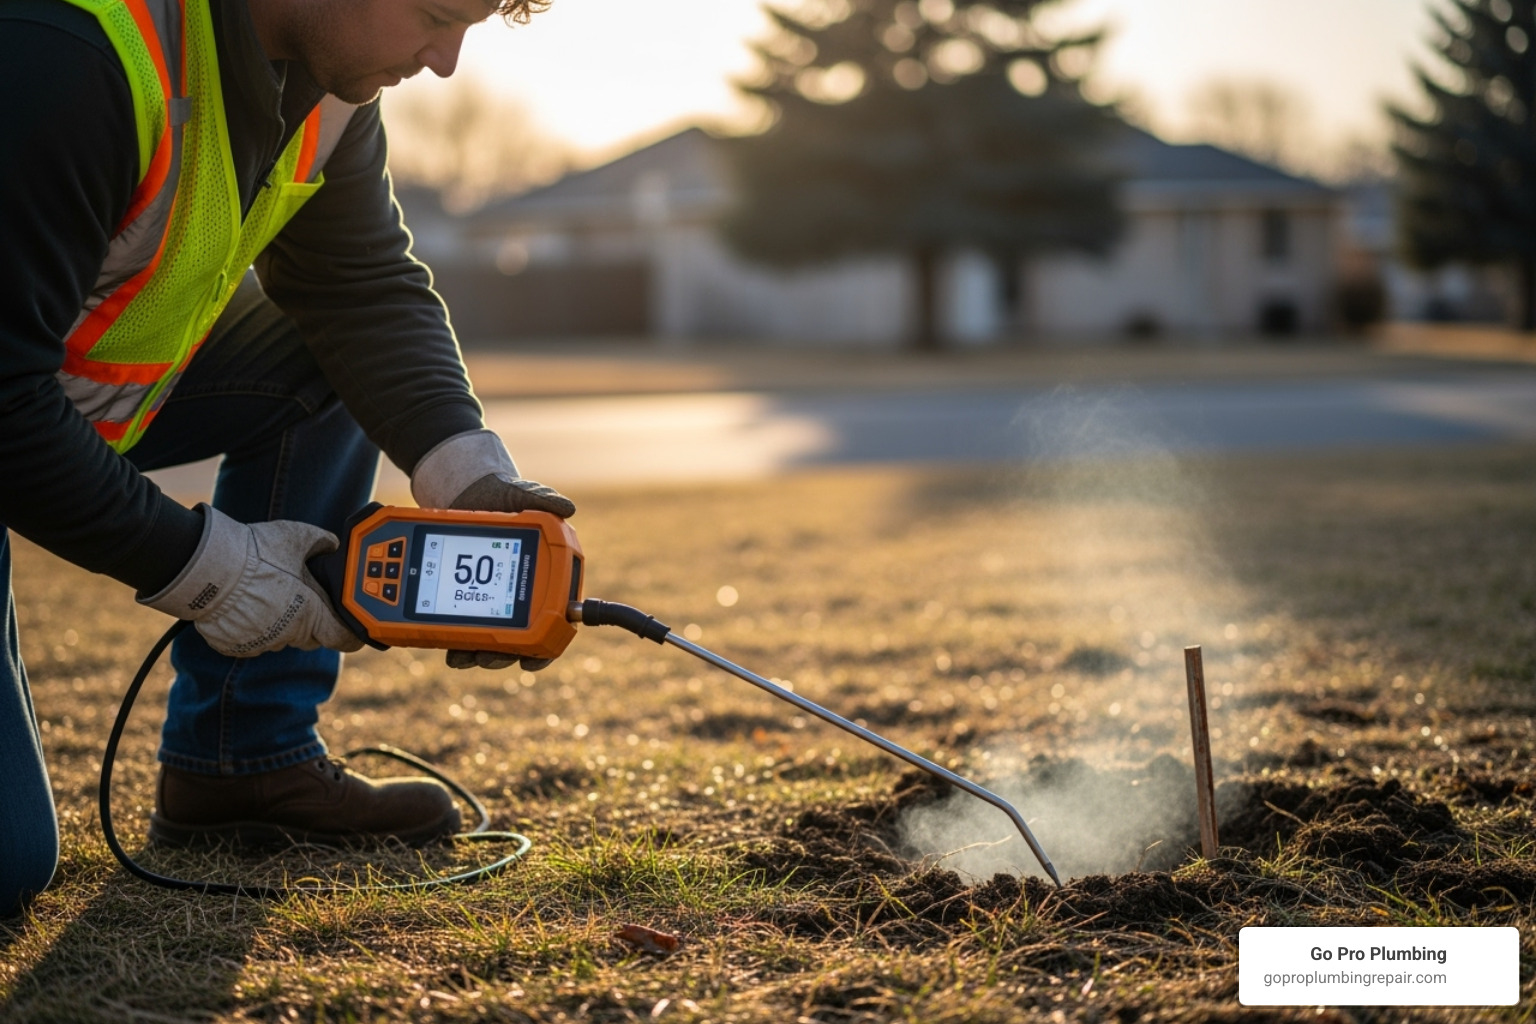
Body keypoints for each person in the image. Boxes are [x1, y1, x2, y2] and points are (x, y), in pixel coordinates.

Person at [0, 0, 570, 917]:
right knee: (7, 863)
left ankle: (241, 763)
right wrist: (210, 572)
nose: (448, 62)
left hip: (55, 404)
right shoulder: (66, 51)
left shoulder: (330, 84)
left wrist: (468, 476)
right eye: (436, 15)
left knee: (328, 361)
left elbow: (358, 289)